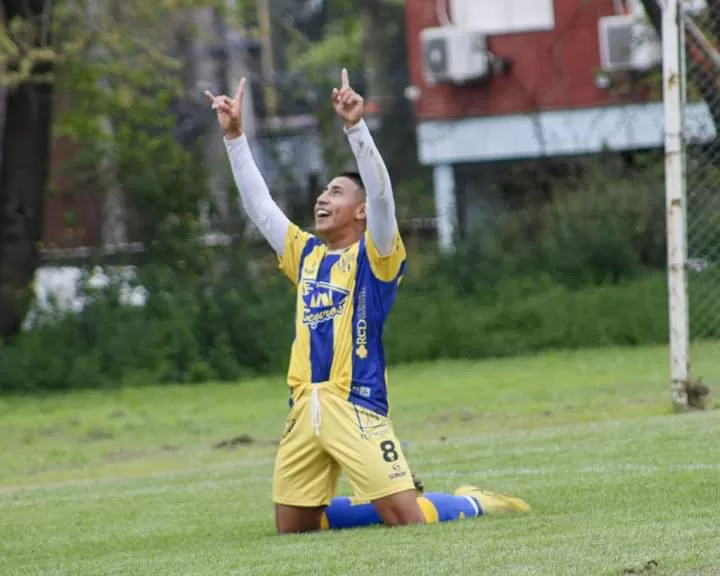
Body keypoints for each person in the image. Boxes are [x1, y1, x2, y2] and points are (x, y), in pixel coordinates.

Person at [206, 69, 530, 534]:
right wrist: (235, 137)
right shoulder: (305, 254)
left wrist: (356, 129)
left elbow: (381, 195)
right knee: (295, 528)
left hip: (355, 403)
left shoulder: (374, 255)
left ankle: (473, 502)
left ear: (360, 211)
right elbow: (260, 207)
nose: (322, 199)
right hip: (304, 407)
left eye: (336, 192)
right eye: (323, 192)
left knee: (405, 519)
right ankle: (374, 500)